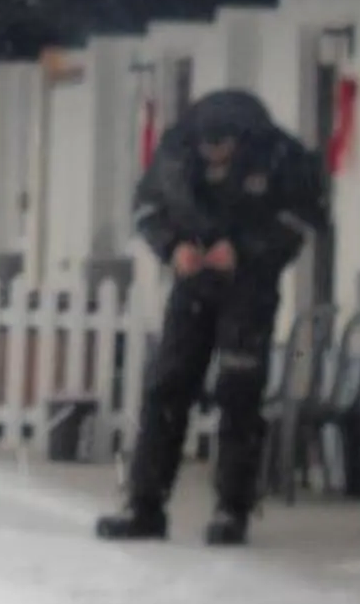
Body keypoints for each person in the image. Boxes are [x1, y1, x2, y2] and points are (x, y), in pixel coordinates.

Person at [97, 88, 330, 546]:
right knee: (167, 385)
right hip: (192, 284)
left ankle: (232, 508)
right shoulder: (175, 153)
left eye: (222, 150)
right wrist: (172, 247)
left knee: (239, 392)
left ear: (241, 142)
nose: (214, 158)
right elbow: (147, 208)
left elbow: (304, 220)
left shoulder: (278, 156)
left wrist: (243, 250)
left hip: (251, 287)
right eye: (207, 151)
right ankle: (145, 504)